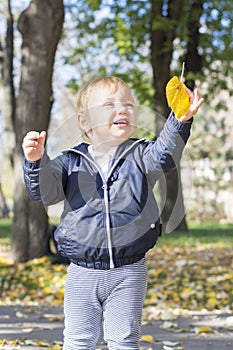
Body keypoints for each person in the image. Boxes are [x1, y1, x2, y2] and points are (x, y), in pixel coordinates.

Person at [22, 76, 204, 350]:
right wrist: (35, 162)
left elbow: (166, 153)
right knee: (79, 340)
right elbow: (45, 192)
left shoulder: (142, 155)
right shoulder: (70, 162)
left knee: (124, 340)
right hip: (82, 272)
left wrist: (180, 119)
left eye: (129, 105)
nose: (123, 109)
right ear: (85, 121)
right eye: (109, 105)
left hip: (129, 270)